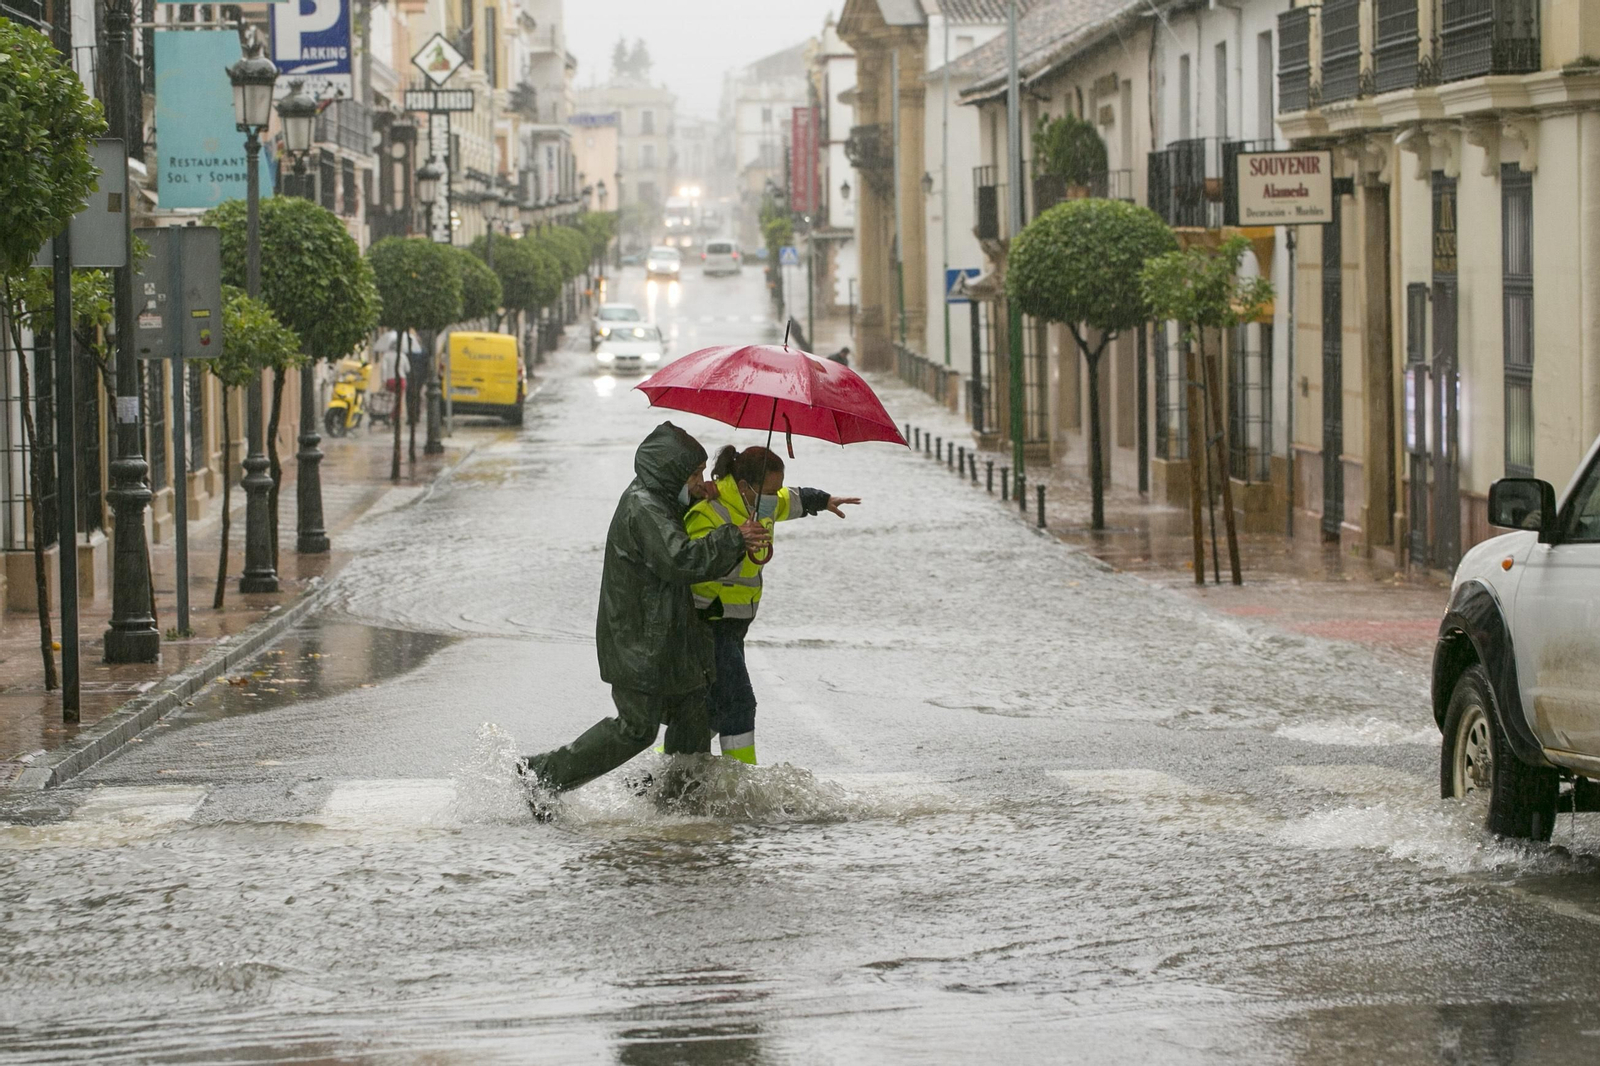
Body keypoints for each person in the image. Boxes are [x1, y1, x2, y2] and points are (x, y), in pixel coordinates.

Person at [518, 422, 770, 812]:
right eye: (695, 474)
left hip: (670, 638)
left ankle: (679, 803)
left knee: (692, 714)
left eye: (704, 473)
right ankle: (541, 775)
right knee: (636, 728)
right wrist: (734, 537)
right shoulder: (645, 507)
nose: (702, 482)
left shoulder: (663, 500)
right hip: (640, 640)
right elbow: (680, 559)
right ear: (673, 474)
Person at [685, 445, 859, 765]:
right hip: (708, 620)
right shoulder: (709, 511)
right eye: (768, 490)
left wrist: (824, 500)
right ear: (743, 486)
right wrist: (736, 539)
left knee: (712, 706)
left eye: (775, 489)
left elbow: (792, 500)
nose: (773, 497)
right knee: (739, 701)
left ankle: (664, 771)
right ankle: (741, 780)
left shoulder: (762, 505)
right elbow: (692, 564)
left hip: (737, 622)